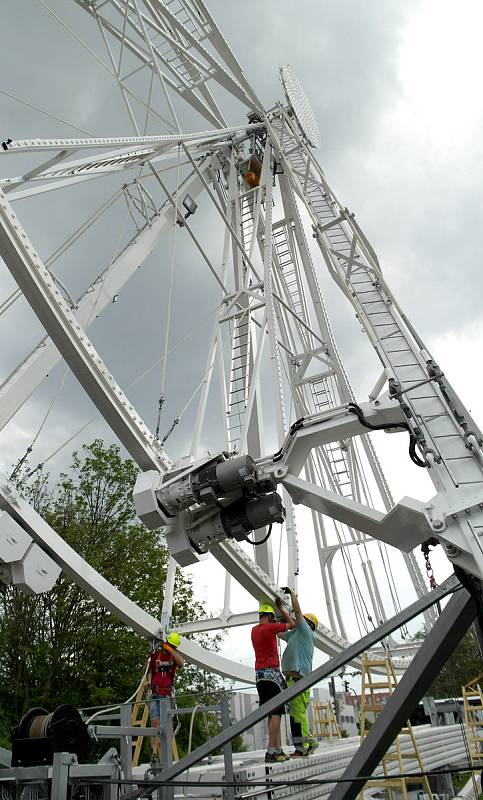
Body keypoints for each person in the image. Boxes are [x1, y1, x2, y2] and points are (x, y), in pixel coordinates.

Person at [251, 598, 295, 763]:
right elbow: (292, 624)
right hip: (272, 675)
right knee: (277, 712)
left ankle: (276, 749)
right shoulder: (271, 627)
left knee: (271, 712)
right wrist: (282, 610)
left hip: (259, 676)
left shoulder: (254, 630)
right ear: (270, 616)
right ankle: (271, 751)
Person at [280, 588, 319, 757]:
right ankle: (307, 744)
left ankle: (302, 747)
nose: (297, 620)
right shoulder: (296, 635)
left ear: (308, 624)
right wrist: (280, 610)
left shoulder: (305, 632)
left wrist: (292, 594)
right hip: (293, 679)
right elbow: (280, 632)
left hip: (299, 680)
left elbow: (297, 611)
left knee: (298, 714)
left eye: (302, 620)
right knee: (296, 715)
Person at [148, 632, 184, 761]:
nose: (170, 648)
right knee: (155, 724)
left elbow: (182, 662)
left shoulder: (173, 659)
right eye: (169, 646)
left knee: (166, 726)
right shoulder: (155, 656)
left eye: (172, 647)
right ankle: (154, 753)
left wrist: (171, 650)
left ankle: (166, 755)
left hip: (166, 696)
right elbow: (146, 671)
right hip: (155, 695)